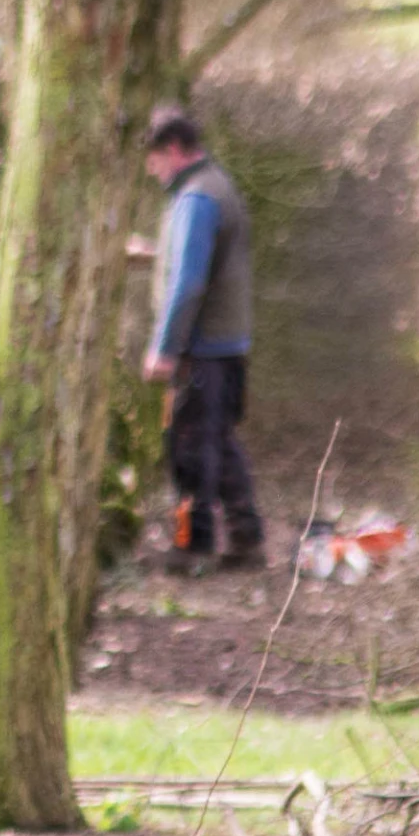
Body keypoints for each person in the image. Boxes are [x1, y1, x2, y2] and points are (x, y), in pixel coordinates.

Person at [139, 104, 263, 571]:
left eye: (153, 158)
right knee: (221, 443)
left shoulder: (194, 199)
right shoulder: (217, 186)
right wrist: (154, 253)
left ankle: (193, 549)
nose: (151, 169)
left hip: (200, 349)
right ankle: (246, 538)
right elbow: (201, 260)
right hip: (228, 345)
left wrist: (165, 347)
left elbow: (188, 282)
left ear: (172, 149)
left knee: (189, 449)